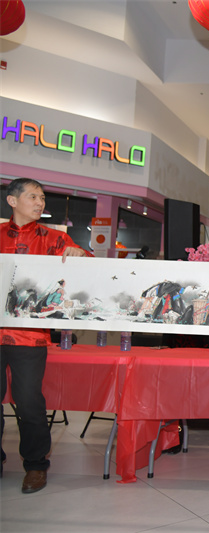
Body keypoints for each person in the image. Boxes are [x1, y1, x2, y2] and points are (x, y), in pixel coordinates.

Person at [0, 178, 90, 493]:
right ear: (12, 201)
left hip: (29, 338)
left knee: (29, 404)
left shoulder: (54, 239)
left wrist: (79, 256)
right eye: (33, 196)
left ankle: (36, 465)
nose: (40, 203)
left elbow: (92, 271)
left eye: (42, 198)